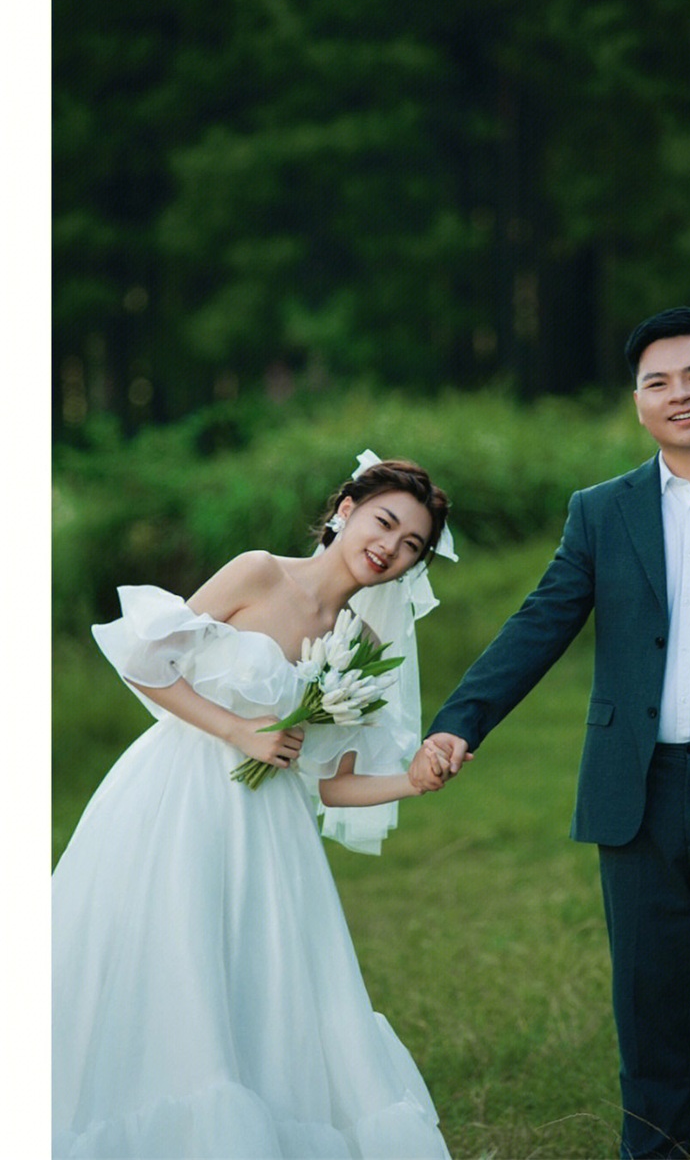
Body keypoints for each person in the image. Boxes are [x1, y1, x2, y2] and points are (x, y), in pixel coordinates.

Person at [411, 308, 690, 1159]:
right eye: (657, 382)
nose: (679, 394)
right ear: (638, 402)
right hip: (638, 794)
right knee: (649, 1020)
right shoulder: (601, 512)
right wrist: (458, 721)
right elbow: (538, 624)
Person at [53, 452, 457, 1160]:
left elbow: (335, 785)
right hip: (175, 795)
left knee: (259, 982)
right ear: (346, 511)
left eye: (411, 545)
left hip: (270, 826)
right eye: (385, 522)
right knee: (167, 953)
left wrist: (413, 781)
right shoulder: (259, 572)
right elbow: (145, 661)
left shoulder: (361, 643)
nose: (390, 547)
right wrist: (238, 730)